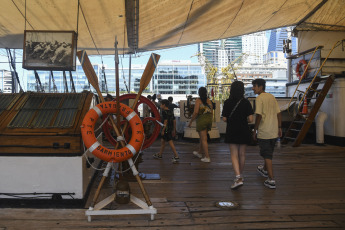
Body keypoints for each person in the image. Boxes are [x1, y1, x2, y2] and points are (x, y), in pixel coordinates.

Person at [222, 81, 254, 189]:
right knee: (242, 154)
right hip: (244, 129)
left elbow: (225, 118)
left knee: (234, 154)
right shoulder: (246, 102)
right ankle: (240, 175)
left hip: (232, 129)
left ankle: (238, 177)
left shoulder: (227, 102)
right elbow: (250, 119)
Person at [252, 79, 282, 189]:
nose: (253, 88)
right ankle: (264, 170)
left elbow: (258, 115)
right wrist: (279, 127)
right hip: (274, 130)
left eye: (254, 86)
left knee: (267, 155)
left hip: (264, 131)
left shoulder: (259, 98)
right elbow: (279, 113)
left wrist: (255, 130)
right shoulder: (272, 97)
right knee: (268, 153)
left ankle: (271, 179)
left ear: (260, 87)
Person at [188, 87, 213, 163]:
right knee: (202, 138)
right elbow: (211, 111)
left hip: (202, 120)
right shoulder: (209, 100)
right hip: (209, 120)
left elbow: (195, 112)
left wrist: (191, 121)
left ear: (199, 93)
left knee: (204, 139)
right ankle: (199, 153)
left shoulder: (198, 100)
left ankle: (207, 157)